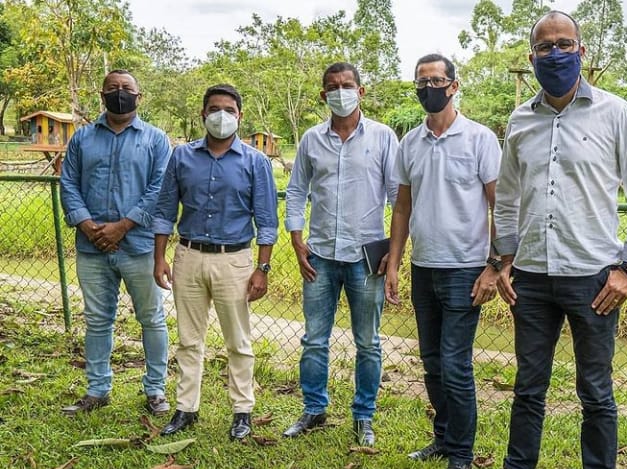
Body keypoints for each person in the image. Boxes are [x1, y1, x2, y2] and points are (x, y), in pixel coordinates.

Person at [474, 11, 627, 469]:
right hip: (532, 277)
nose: (554, 54)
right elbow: (509, 199)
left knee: (595, 390)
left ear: (582, 51)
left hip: (594, 277)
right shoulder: (519, 120)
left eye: (564, 44)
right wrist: (503, 260)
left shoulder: (616, 113)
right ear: (531, 56)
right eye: (544, 46)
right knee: (528, 386)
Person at [385, 53, 501, 469]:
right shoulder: (410, 142)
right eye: (421, 81)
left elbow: (499, 206)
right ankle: (442, 439)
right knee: (432, 363)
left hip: (465, 269)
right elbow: (402, 206)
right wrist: (394, 262)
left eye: (435, 80)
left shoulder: (479, 139)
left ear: (453, 86)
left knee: (455, 365)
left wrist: (495, 265)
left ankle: (461, 457)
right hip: (423, 267)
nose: (427, 88)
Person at [282, 62, 398, 447]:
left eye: (348, 85)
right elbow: (297, 191)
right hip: (319, 255)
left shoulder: (383, 137)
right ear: (323, 95)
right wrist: (296, 239)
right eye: (333, 86)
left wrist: (394, 254)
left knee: (368, 341)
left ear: (361, 91)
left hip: (367, 257)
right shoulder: (312, 140)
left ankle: (364, 415)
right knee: (315, 339)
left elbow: (399, 199)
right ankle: (314, 408)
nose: (340, 91)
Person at [153, 84, 278, 441]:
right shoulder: (181, 157)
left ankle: (242, 412)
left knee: (238, 341)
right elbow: (164, 211)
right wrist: (159, 257)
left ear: (239, 115)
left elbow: (267, 220)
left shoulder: (255, 161)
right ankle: (185, 408)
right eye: (213, 109)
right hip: (188, 257)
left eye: (228, 109)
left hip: (234, 260)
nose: (220, 116)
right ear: (202, 114)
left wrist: (262, 268)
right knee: (189, 340)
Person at [60, 69, 171, 417]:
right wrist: (89, 225)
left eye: (126, 88)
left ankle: (155, 389)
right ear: (102, 94)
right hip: (91, 246)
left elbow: (160, 189)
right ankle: (97, 389)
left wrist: (122, 226)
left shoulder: (155, 140)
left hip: (138, 245)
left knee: (151, 318)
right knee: (96, 320)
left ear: (139, 97)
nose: (119, 93)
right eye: (112, 88)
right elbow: (69, 184)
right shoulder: (82, 139)